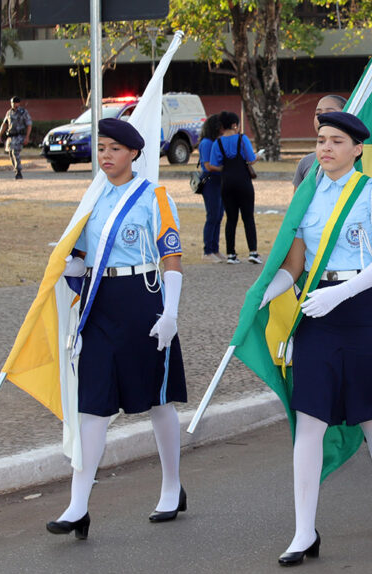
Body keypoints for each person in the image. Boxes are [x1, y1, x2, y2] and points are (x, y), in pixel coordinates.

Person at [257, 111, 372, 565]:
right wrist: (267, 293)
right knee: (310, 420)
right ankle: (304, 531)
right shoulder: (307, 194)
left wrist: (342, 292)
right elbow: (295, 262)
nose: (325, 147)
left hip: (362, 309)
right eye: (321, 139)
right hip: (316, 312)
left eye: (336, 140)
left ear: (357, 149)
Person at [46, 119, 187, 540]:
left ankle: (172, 486)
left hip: (143, 301)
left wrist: (171, 312)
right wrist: (65, 265)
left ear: (134, 153)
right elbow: (82, 257)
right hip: (99, 305)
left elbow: (172, 257)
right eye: (102, 148)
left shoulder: (154, 196)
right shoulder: (94, 197)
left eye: (115, 149)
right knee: (93, 404)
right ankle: (78, 505)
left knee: (158, 399)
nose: (106, 156)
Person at [206, 111, 260, 264]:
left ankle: (231, 254)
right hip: (243, 182)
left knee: (231, 219)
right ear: (235, 125)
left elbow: (214, 164)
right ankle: (253, 252)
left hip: (227, 183)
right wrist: (258, 156)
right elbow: (251, 159)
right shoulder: (242, 139)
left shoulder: (217, 143)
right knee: (248, 217)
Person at [292, 95, 346, 191]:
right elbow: (298, 199)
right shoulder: (306, 163)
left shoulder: (358, 161)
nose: (322, 117)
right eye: (318, 113)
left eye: (329, 112)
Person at [197, 114, 225, 263]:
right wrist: (226, 168)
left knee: (219, 215)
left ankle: (215, 248)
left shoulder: (215, 141)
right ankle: (207, 251)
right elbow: (208, 166)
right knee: (212, 215)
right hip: (210, 181)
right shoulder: (207, 143)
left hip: (218, 181)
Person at [0, 96, 32, 180]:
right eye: (13, 103)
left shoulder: (23, 112)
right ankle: (16, 169)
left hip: (19, 136)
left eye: (16, 103)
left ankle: (18, 171)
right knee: (10, 153)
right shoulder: (9, 113)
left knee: (15, 152)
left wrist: (27, 137)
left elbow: (29, 124)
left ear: (19, 103)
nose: (14, 104)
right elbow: (4, 124)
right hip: (11, 137)